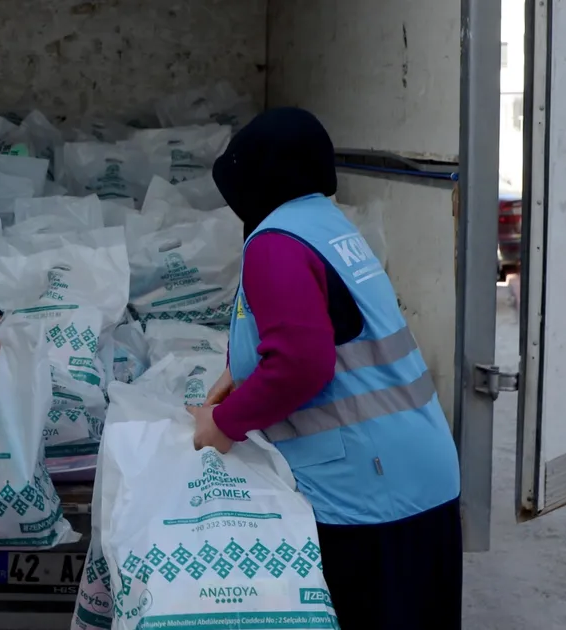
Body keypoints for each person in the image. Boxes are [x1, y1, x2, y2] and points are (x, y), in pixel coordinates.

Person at [187, 107, 462, 629]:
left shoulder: (274, 244)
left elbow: (301, 363)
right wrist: (240, 376)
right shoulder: (324, 224)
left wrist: (222, 423)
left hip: (371, 491)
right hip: (418, 471)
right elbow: (323, 329)